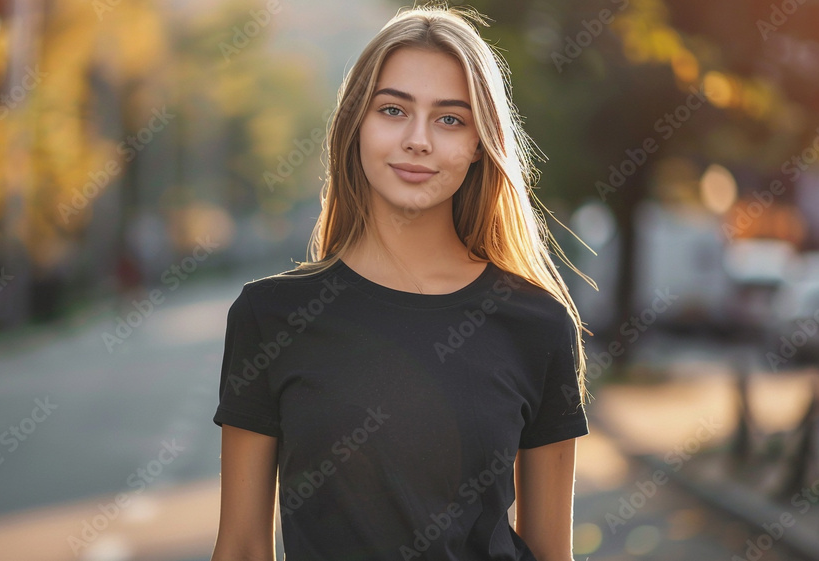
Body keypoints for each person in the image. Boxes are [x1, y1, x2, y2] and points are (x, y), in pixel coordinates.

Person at [212, 4, 595, 560]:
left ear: (478, 145)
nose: (418, 140)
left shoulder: (537, 325)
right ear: (355, 126)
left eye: (450, 119)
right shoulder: (270, 316)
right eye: (393, 110)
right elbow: (243, 547)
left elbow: (551, 552)